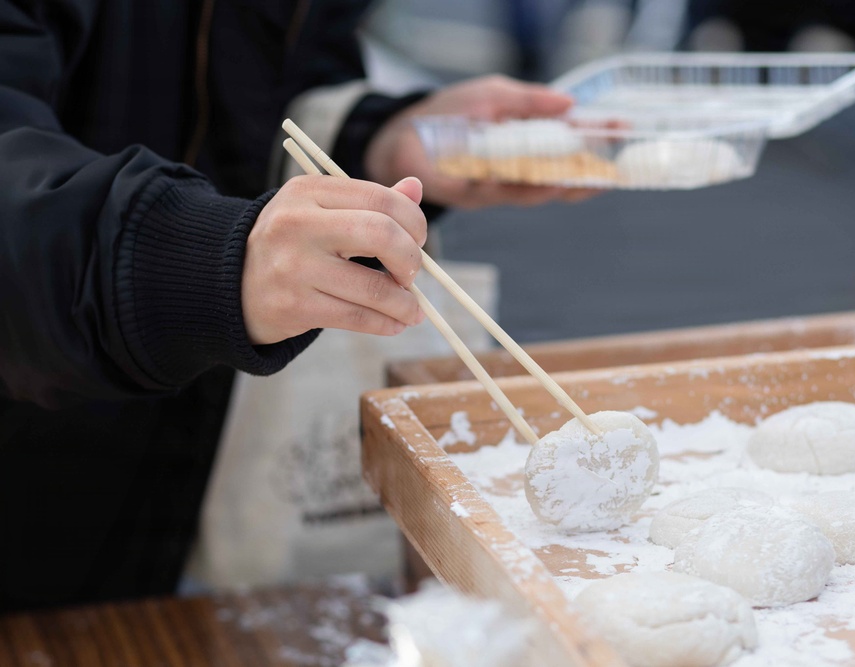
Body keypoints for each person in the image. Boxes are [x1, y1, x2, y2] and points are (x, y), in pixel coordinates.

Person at [0, 0, 588, 612]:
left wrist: (377, 142)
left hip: (199, 473)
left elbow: (268, 98)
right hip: (34, 481)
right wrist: (209, 259)